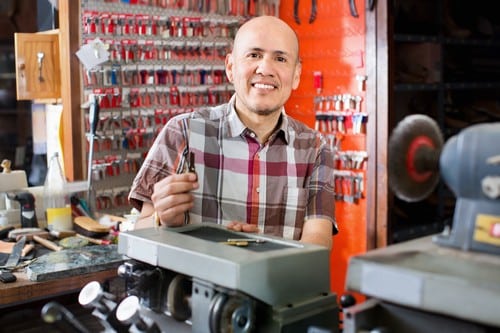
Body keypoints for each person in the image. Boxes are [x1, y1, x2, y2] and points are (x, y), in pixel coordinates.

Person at [128, 15, 337, 249]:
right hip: (192, 285)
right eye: (254, 55)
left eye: (280, 58)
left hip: (277, 284)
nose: (265, 68)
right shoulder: (184, 132)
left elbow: (318, 242)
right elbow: (140, 230)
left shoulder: (315, 148)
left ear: (296, 74)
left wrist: (262, 249)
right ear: (230, 67)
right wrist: (162, 220)